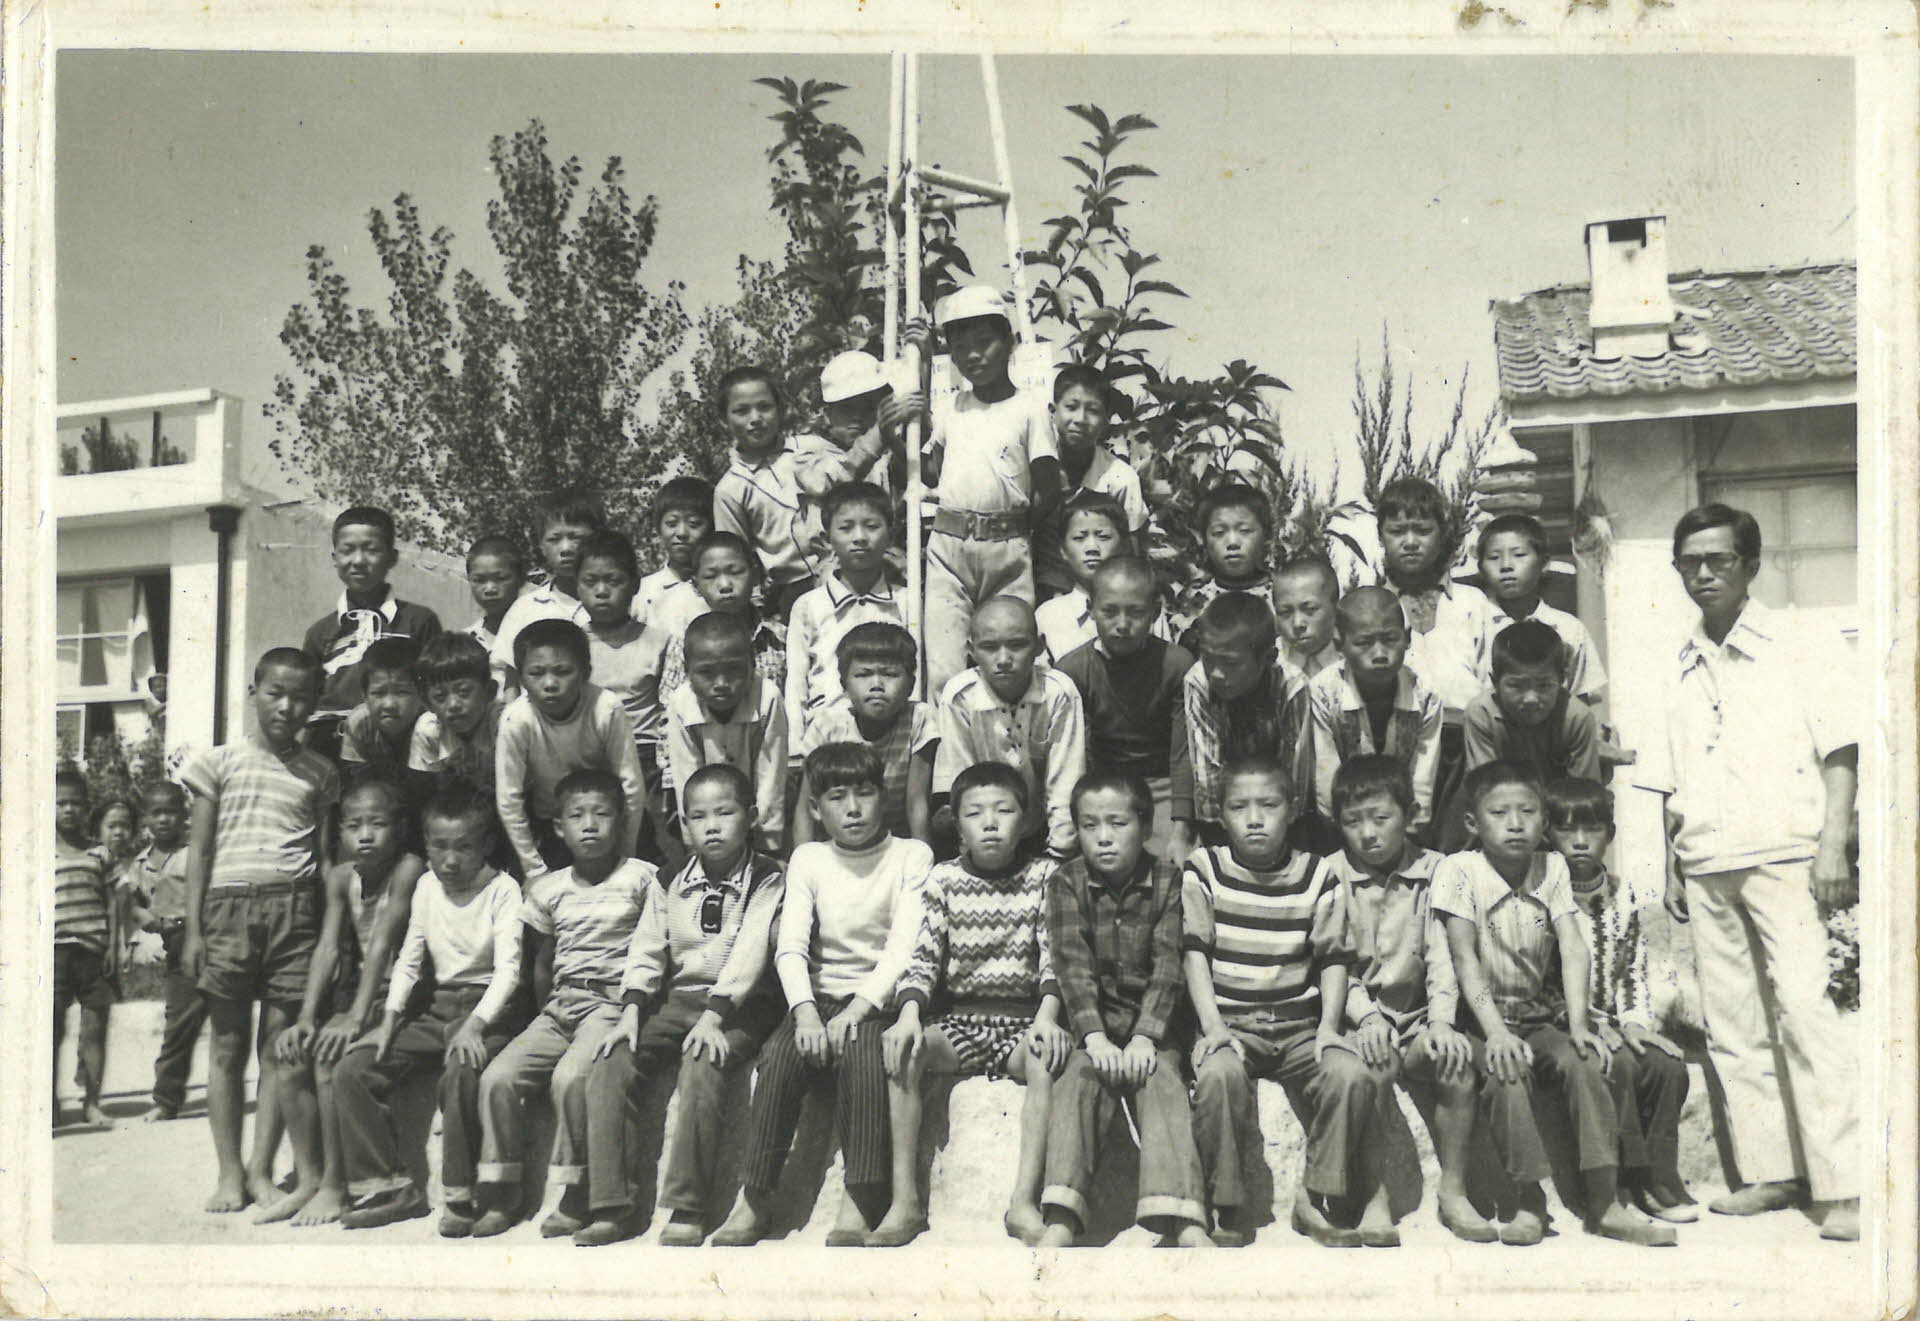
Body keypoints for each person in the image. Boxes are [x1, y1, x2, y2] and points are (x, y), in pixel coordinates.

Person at [1647, 502, 1859, 1241]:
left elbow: (1841, 750)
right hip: (1707, 860)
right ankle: (1773, 1172)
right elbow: (1668, 776)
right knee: (1735, 1025)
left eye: (1719, 559)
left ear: (1751, 565)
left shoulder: (1800, 640)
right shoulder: (1677, 658)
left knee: (1807, 1012)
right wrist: (1671, 863)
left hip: (1787, 854)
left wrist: (1835, 845)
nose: (1703, 573)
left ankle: (1845, 1185)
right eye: (1690, 562)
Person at [1431, 760, 1673, 1247]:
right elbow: (1465, 960)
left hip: (1536, 1015)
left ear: (1544, 821)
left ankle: (1605, 1202)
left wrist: (1579, 1024)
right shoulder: (1458, 870)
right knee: (1507, 1071)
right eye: (1500, 813)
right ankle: (1528, 1201)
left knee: (1584, 1061)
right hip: (1478, 1019)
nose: (1515, 824)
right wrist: (1496, 1033)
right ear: (1473, 823)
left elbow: (1573, 946)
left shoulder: (1553, 867)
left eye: (1528, 812)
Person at [711, 743, 934, 1247]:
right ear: (815, 808)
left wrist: (858, 1010)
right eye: (836, 797)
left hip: (877, 1000)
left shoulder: (910, 856)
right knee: (778, 1058)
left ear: (883, 796)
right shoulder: (809, 859)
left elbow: (903, 947)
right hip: (818, 999)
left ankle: (862, 1195)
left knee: (866, 1057)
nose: (853, 809)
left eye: (864, 793)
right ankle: (754, 1197)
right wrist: (806, 1013)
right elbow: (790, 946)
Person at [578, 764, 787, 1247]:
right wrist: (632, 1010)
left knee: (702, 1060)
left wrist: (715, 1017)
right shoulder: (670, 878)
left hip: (740, 1006)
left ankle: (688, 1205)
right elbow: (648, 946)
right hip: (678, 1000)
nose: (712, 826)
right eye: (698, 816)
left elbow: (750, 952)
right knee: (613, 1059)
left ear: (751, 816)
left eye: (725, 813)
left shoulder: (767, 876)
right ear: (684, 824)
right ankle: (610, 1204)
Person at [1183, 756, 1383, 1248]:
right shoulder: (1204, 868)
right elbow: (1194, 953)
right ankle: (1226, 1200)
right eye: (1239, 807)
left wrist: (1329, 1028)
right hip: (1232, 1023)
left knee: (1350, 1075)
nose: (1254, 819)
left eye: (1268, 806)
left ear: (1291, 810)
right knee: (1218, 1077)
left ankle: (1316, 1197)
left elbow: (1332, 958)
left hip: (1298, 1026)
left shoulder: (1317, 874)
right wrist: (1213, 1027)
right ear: (1220, 814)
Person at [878, 763, 1072, 1246]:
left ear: (1026, 821)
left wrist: (1048, 1016)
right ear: (957, 827)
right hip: (960, 1021)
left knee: (1047, 1060)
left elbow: (1054, 955)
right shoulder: (943, 880)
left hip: (1022, 1024)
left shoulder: (1045, 876)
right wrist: (908, 1014)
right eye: (975, 813)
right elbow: (924, 956)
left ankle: (1024, 1201)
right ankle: (905, 1202)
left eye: (1003, 811)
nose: (990, 823)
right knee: (905, 1050)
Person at [179, 648, 341, 1215]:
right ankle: (228, 1173)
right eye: (275, 693)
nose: (286, 707)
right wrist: (194, 931)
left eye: (300, 698)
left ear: (314, 704)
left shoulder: (321, 773)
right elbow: (200, 851)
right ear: (254, 693)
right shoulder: (217, 763)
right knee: (226, 1045)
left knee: (278, 1047)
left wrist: (330, 926)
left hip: (294, 912)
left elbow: (324, 858)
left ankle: (261, 1170)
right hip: (227, 910)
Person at [1312, 754, 1492, 1244]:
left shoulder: (1437, 870)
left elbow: (1441, 955)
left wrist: (1441, 1022)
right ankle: (1375, 1197)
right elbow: (1334, 962)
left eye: (1380, 818)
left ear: (1409, 815)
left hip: (1418, 1019)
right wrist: (1367, 1017)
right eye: (1353, 822)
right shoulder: (1329, 874)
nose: (1368, 833)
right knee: (1373, 1068)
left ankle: (1454, 1192)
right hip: (1359, 1019)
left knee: (1455, 1063)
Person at [472, 770, 657, 1239]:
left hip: (609, 1004)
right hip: (559, 1005)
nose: (589, 825)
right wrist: (543, 1016)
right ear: (559, 828)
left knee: (572, 1077)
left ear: (621, 821)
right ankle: (502, 1190)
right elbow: (542, 961)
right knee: (497, 1077)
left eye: (602, 814)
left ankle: (578, 1190)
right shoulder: (547, 889)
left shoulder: (641, 878)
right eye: (577, 816)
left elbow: (656, 947)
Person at [333, 783, 524, 1234]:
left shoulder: (503, 890)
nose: (450, 860)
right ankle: (391, 1187)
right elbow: (409, 960)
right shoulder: (425, 886)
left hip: (488, 1010)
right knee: (354, 1069)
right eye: (439, 847)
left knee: (461, 1071)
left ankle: (461, 1194)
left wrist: (475, 1026)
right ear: (426, 845)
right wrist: (388, 1022)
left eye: (464, 847)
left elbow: (508, 971)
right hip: (437, 1009)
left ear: (486, 845)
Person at [1038, 772, 1210, 1248]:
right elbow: (1071, 966)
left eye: (1118, 823)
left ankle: (1183, 1217)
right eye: (1089, 825)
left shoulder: (1169, 881)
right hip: (1094, 1026)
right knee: (1076, 1081)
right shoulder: (1065, 882)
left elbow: (1169, 966)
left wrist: (1144, 1037)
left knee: (1163, 1081)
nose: (1104, 837)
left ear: (1146, 825)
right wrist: (1094, 1038)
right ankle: (1062, 1217)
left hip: (1150, 1029)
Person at [271, 775, 425, 1226]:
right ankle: (310, 1179)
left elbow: (383, 940)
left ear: (400, 828)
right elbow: (328, 948)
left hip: (401, 996)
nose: (365, 835)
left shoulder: (409, 869)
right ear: (339, 831)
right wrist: (305, 1017)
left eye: (377, 824)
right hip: (360, 992)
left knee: (329, 1059)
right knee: (290, 1057)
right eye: (354, 825)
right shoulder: (340, 877)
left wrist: (355, 1018)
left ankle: (337, 1187)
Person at [896, 285, 1063, 695]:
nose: (973, 355)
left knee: (1009, 661)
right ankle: (949, 736)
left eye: (984, 342)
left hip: (1007, 552)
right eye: (960, 347)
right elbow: (929, 474)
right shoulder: (952, 408)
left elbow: (1047, 488)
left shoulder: (1029, 408)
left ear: (1008, 342)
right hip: (948, 550)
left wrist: (1014, 530)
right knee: (943, 668)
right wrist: (900, 424)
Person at [1547, 777, 1695, 1226]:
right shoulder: (1544, 894)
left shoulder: (1621, 892)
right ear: (1548, 834)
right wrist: (1586, 1022)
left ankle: (1660, 1175)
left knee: (1668, 1067)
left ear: (1610, 835)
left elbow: (1631, 967)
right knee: (1622, 1066)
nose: (1579, 841)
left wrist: (1634, 1023)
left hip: (1612, 1020)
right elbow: (1543, 979)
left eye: (1591, 830)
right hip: (1564, 1022)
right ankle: (1627, 1178)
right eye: (1566, 830)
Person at [1053, 557, 1195, 860]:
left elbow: (1183, 753)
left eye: (1136, 613)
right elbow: (1074, 757)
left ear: (1155, 612)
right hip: (1102, 786)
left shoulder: (1176, 665)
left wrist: (1182, 828)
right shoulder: (1073, 670)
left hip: (1161, 785)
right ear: (1091, 609)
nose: (1122, 624)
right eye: (1109, 612)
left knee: (1171, 864)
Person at [1374, 476, 1492, 841]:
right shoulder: (1372, 606)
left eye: (1422, 530)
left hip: (1467, 747)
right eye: (1397, 531)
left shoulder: (1473, 602)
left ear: (1442, 535)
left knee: (1460, 848)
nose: (1410, 542)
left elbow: (1491, 679)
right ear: (1381, 536)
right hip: (1398, 748)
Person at [934, 596, 1088, 859]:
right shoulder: (960, 697)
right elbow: (963, 780)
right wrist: (974, 856)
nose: (1004, 659)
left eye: (1017, 645)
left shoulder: (1058, 692)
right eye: (989, 647)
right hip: (984, 832)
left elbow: (1066, 780)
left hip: (1043, 830)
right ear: (971, 650)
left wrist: (1059, 854)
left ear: (1039, 646)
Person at [494, 618, 647, 880]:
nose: (550, 684)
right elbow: (509, 799)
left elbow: (630, 784)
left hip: (607, 823)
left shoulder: (606, 708)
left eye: (563, 671)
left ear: (586, 673)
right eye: (536, 673)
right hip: (551, 824)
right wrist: (534, 869)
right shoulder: (516, 719)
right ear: (520, 678)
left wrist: (626, 855)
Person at [1170, 593, 1311, 858]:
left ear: (1268, 658)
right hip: (1224, 812)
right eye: (1208, 659)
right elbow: (1207, 773)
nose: (1216, 673)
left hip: (1278, 810)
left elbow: (1294, 775)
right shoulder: (1198, 682)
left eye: (1231, 663)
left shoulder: (1292, 687)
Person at [301, 506, 443, 759]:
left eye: (371, 550)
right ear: (334, 557)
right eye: (347, 550)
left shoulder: (418, 621)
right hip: (331, 749)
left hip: (402, 748)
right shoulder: (320, 633)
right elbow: (308, 698)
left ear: (392, 557)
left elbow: (435, 689)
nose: (358, 560)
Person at [1307, 587, 1443, 837]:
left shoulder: (1425, 694)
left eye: (1390, 639)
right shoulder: (1323, 692)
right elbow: (1326, 774)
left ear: (1407, 638)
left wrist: (1412, 829)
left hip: (1403, 826)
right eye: (1363, 643)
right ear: (1339, 645)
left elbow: (1423, 777)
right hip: (1344, 826)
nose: (1379, 654)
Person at [784, 481, 907, 746]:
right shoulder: (808, 606)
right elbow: (796, 685)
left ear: (890, 533)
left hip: (892, 737)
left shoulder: (906, 602)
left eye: (872, 526)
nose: (860, 537)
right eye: (846, 527)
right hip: (825, 740)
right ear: (827, 536)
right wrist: (794, 747)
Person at [574, 530, 672, 859]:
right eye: (590, 581)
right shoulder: (570, 646)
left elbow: (668, 709)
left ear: (634, 584)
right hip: (588, 756)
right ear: (577, 585)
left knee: (651, 845)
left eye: (613, 581)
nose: (602, 591)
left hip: (645, 758)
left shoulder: (659, 641)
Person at [794, 622, 936, 847]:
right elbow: (805, 808)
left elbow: (916, 803)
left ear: (911, 685)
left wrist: (923, 857)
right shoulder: (827, 725)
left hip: (896, 842)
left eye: (890, 674)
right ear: (844, 684)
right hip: (837, 842)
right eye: (863, 674)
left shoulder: (918, 719)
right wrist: (802, 859)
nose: (877, 684)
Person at [664, 612, 789, 855]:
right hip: (707, 817)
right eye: (707, 673)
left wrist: (769, 845)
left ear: (753, 664)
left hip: (756, 811)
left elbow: (771, 776)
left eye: (734, 670)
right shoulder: (681, 703)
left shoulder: (767, 697)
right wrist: (693, 844)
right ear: (687, 671)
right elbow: (685, 776)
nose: (721, 683)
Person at [1031, 363, 1149, 603]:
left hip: (1100, 593)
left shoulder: (1120, 478)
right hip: (1038, 586)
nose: (1080, 419)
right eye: (1071, 407)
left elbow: (1133, 552)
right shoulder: (1034, 467)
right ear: (1052, 412)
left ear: (1105, 420)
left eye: (1093, 411)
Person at [711, 365, 820, 619]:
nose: (755, 418)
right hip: (793, 590)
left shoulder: (812, 448)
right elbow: (736, 559)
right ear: (724, 420)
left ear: (781, 409)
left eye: (764, 407)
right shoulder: (730, 489)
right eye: (741, 411)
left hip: (849, 569)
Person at [124, 781, 204, 1124]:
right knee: (178, 1023)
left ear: (183, 816)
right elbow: (130, 900)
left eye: (171, 812)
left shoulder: (194, 853)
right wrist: (140, 915)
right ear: (145, 818)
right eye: (156, 813)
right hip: (173, 944)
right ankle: (166, 1099)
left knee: (227, 1021)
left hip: (202, 935)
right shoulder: (140, 863)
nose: (164, 819)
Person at [1475, 514, 1605, 705]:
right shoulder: (1472, 624)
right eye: (1494, 557)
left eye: (1519, 555)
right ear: (1481, 568)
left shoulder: (1568, 628)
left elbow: (1581, 697)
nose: (1506, 566)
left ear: (1544, 563)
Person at [655, 530, 788, 714]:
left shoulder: (780, 639)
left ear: (755, 575)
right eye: (711, 576)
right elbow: (670, 709)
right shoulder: (684, 643)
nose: (725, 585)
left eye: (735, 573)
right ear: (695, 585)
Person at [488, 489, 605, 692]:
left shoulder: (620, 604)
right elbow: (509, 679)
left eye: (576, 537)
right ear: (541, 545)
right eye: (554, 539)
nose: (566, 548)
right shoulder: (525, 609)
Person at [53, 770, 117, 1129]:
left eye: (76, 803)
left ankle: (92, 1102)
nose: (69, 810)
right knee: (51, 1029)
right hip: (53, 953)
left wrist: (115, 947)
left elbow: (113, 904)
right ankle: (48, 1102)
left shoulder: (99, 852)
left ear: (87, 808)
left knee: (95, 1029)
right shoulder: (37, 851)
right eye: (61, 803)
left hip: (93, 951)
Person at [1462, 620, 1601, 783]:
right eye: (1516, 686)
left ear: (1562, 680)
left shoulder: (1578, 718)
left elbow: (1586, 792)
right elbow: (1484, 788)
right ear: (1495, 682)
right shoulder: (1481, 714)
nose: (1531, 699)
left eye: (1544, 685)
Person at [1034, 495, 1166, 662]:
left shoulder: (1143, 608)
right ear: (1063, 550)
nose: (1092, 548)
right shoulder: (1049, 616)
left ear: (1124, 544)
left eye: (1103, 537)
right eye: (1079, 538)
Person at [796, 351, 901, 557]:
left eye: (868, 408)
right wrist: (879, 432)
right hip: (830, 564)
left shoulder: (884, 457)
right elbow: (834, 476)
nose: (857, 417)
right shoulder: (807, 453)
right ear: (827, 414)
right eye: (846, 408)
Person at [1171, 483, 1277, 650]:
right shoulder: (1195, 598)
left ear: (1266, 536)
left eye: (1244, 531)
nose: (1232, 542)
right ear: (1204, 540)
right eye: (1219, 533)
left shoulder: (1281, 596)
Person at [408, 631, 505, 802]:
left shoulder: (504, 724)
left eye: (463, 692)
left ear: (490, 691)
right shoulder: (429, 730)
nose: (453, 704)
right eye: (440, 696)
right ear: (427, 703)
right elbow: (426, 792)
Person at [338, 637, 427, 783]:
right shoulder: (359, 723)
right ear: (364, 695)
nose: (389, 704)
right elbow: (358, 782)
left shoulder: (432, 726)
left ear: (423, 694)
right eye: (378, 693)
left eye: (402, 692)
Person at [635, 476, 715, 628]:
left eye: (693, 524)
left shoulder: (722, 590)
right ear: (659, 529)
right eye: (672, 524)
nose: (682, 533)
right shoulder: (643, 593)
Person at [1272, 557, 1342, 683]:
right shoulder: (1268, 666)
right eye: (1285, 612)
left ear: (1335, 608)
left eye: (1310, 609)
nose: (1297, 623)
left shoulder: (1355, 663)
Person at [464, 534, 529, 655]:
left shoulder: (537, 636)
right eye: (479, 580)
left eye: (501, 578)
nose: (490, 589)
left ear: (521, 579)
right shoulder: (465, 643)